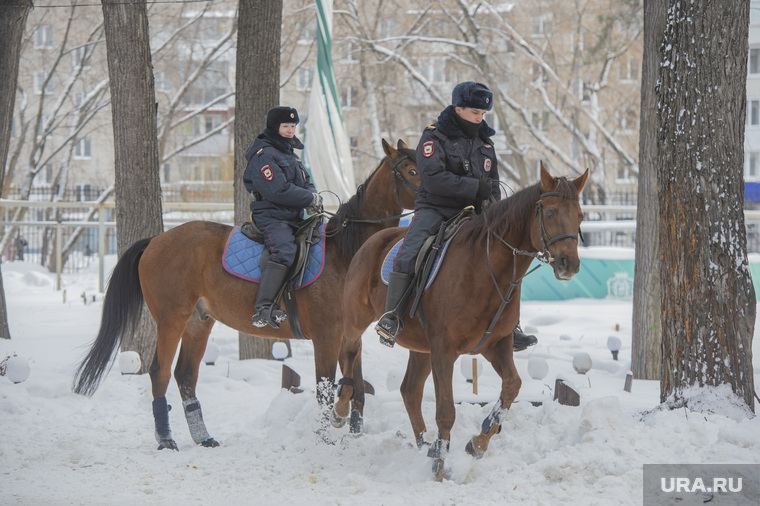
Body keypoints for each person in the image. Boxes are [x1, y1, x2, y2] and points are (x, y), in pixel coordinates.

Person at [375, 81, 537, 351]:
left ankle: (511, 325)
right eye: (475, 113)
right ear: (458, 109)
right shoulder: (433, 137)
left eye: (483, 114)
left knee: (505, 257)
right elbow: (434, 179)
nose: (480, 119)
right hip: (436, 209)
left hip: (477, 213)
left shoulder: (485, 144)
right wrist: (475, 187)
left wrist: (495, 209)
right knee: (410, 252)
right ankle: (393, 317)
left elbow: (493, 183)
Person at [243, 106, 322, 329]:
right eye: (285, 126)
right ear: (274, 127)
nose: (290, 130)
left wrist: (314, 195)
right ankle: (263, 308)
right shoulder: (263, 155)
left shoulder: (291, 155)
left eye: (293, 126)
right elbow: (277, 190)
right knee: (284, 250)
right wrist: (308, 198)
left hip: (293, 215)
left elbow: (306, 181)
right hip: (271, 215)